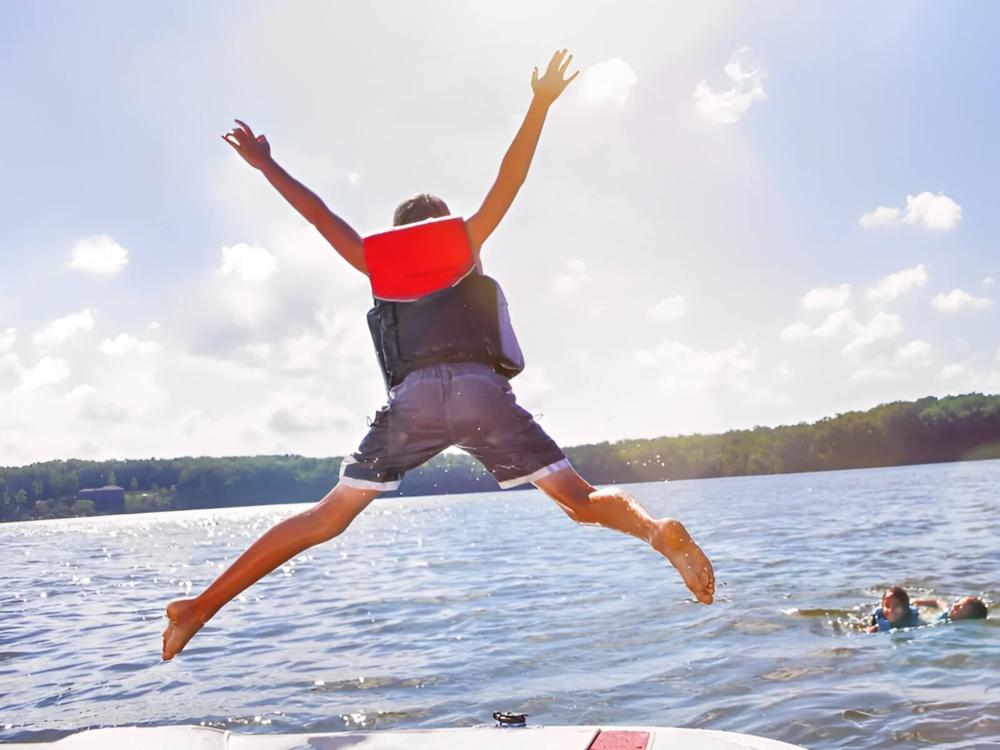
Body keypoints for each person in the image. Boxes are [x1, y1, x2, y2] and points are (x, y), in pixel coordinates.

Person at [162, 50, 715, 661]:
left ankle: (198, 608)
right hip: (482, 392)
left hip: (416, 400)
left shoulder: (375, 261)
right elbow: (512, 179)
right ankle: (654, 530)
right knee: (581, 502)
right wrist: (539, 104)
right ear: (447, 230)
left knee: (326, 517)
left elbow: (317, 214)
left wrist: (266, 164)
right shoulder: (467, 241)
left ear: (398, 235)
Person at [913, 595, 989, 623]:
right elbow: (938, 602)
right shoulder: (948, 612)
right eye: (957, 603)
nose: (955, 606)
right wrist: (918, 601)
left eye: (960, 607)